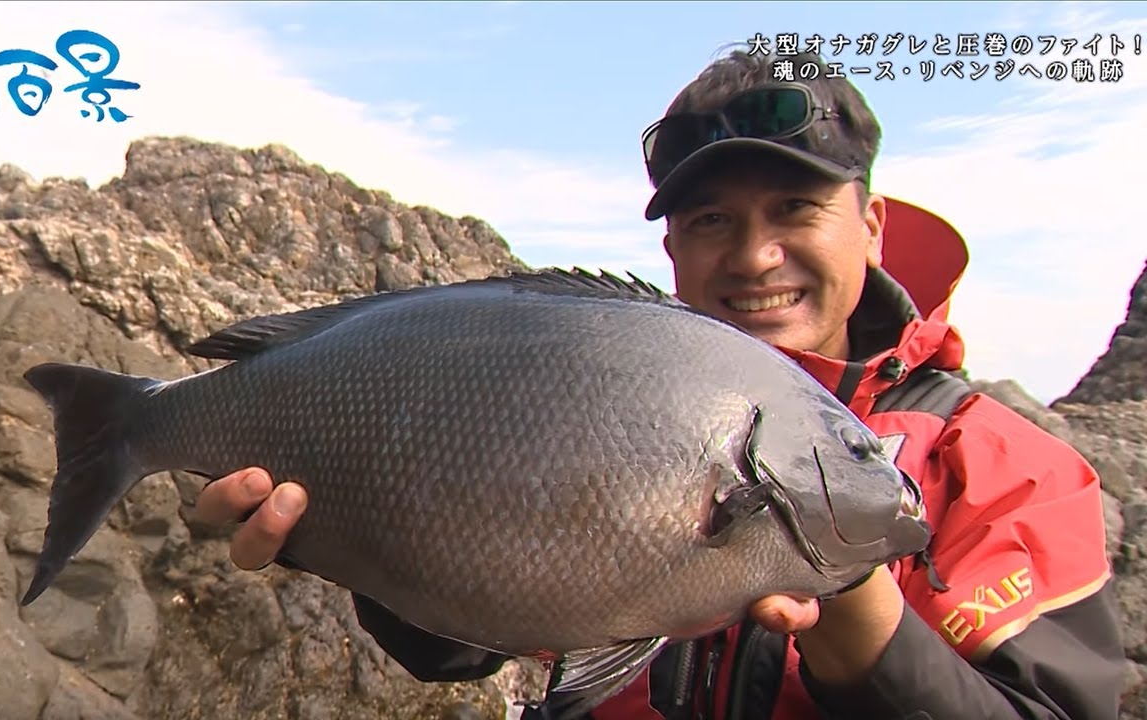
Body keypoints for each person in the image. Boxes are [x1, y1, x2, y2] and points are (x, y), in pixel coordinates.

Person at [191, 49, 1126, 719]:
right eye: (712, 219)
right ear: (671, 247)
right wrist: (350, 540)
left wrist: (871, 640)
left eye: (795, 208)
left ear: (872, 224)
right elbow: (468, 641)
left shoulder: (1009, 470)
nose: (756, 256)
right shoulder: (592, 384)